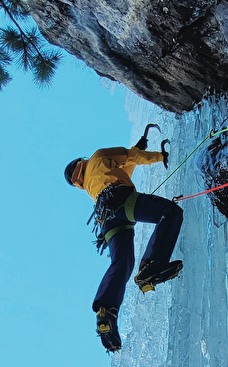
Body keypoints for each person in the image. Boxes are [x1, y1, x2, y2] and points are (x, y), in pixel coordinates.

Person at [65, 124, 184, 353]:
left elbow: (125, 169)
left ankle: (106, 310)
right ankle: (152, 264)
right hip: (119, 199)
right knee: (169, 212)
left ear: (76, 182)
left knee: (122, 263)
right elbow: (131, 157)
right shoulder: (98, 157)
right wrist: (160, 156)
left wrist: (135, 150)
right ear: (82, 161)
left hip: (106, 218)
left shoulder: (89, 183)